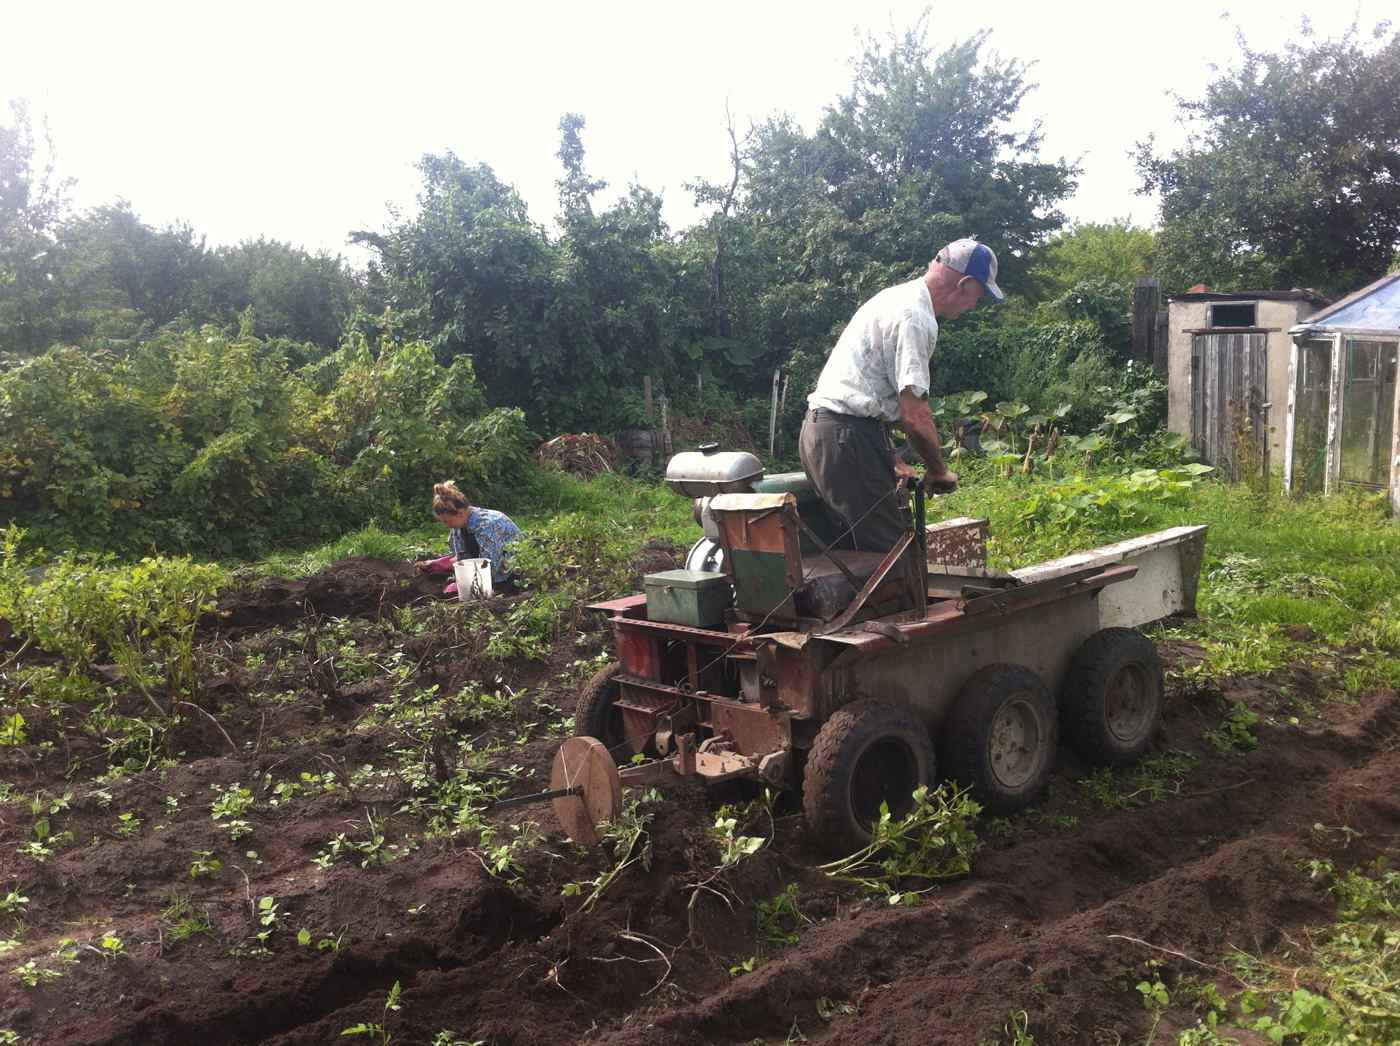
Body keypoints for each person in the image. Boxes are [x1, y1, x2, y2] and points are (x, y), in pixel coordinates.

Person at [799, 237, 1002, 595]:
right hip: (845, 438)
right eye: (978, 296)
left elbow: (867, 391)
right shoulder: (915, 318)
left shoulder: (894, 297)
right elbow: (915, 416)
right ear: (965, 284)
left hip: (826, 432)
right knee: (895, 559)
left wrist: (888, 456)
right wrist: (938, 470)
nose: (974, 304)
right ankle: (903, 642)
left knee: (851, 555)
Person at [414, 481, 522, 597]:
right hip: (489, 568)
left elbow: (490, 565)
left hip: (512, 573)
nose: (447, 525)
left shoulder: (488, 525)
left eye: (447, 521)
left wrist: (476, 587)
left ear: (460, 513)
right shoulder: (459, 526)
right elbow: (462, 558)